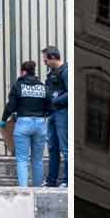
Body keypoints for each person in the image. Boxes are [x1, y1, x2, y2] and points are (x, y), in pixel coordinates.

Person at [2, 60, 54, 187]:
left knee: (22, 160)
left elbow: (10, 106)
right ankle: (37, 188)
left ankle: (23, 190)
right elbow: (51, 107)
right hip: (40, 124)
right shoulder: (43, 87)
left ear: (23, 72)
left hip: (23, 123)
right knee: (37, 160)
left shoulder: (18, 86)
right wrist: (44, 114)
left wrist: (3, 120)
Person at [42, 47, 69, 188]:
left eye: (45, 60)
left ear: (53, 57)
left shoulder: (66, 71)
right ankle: (51, 180)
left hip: (62, 112)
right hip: (53, 113)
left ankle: (67, 181)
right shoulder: (51, 73)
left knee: (65, 148)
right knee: (53, 148)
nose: (44, 62)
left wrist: (55, 101)